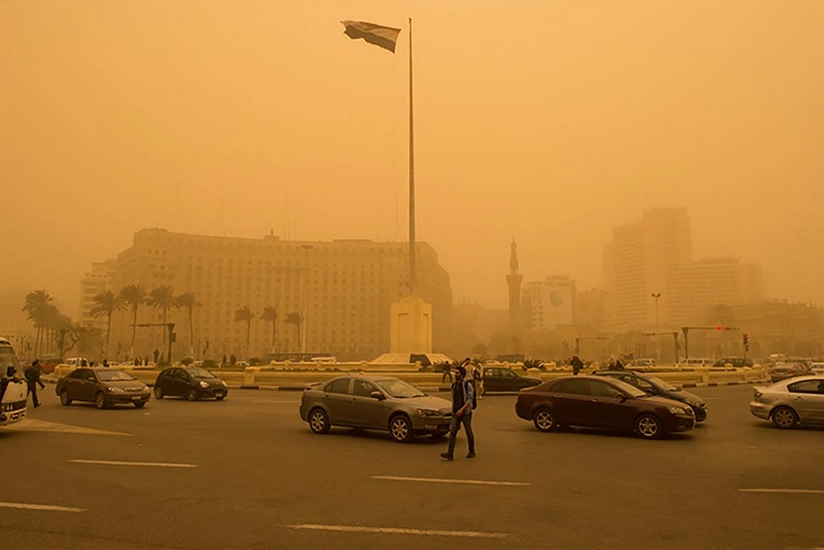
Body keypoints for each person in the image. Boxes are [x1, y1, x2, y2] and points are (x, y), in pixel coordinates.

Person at [440, 364, 476, 461]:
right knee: (453, 432)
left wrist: (462, 410)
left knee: (468, 431)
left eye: (457, 373)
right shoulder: (454, 385)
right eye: (455, 373)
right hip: (456, 412)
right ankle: (450, 453)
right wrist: (454, 410)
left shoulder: (467, 385)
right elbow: (454, 399)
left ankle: (471, 451)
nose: (455, 374)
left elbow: (469, 400)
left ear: (462, 374)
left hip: (465, 412)